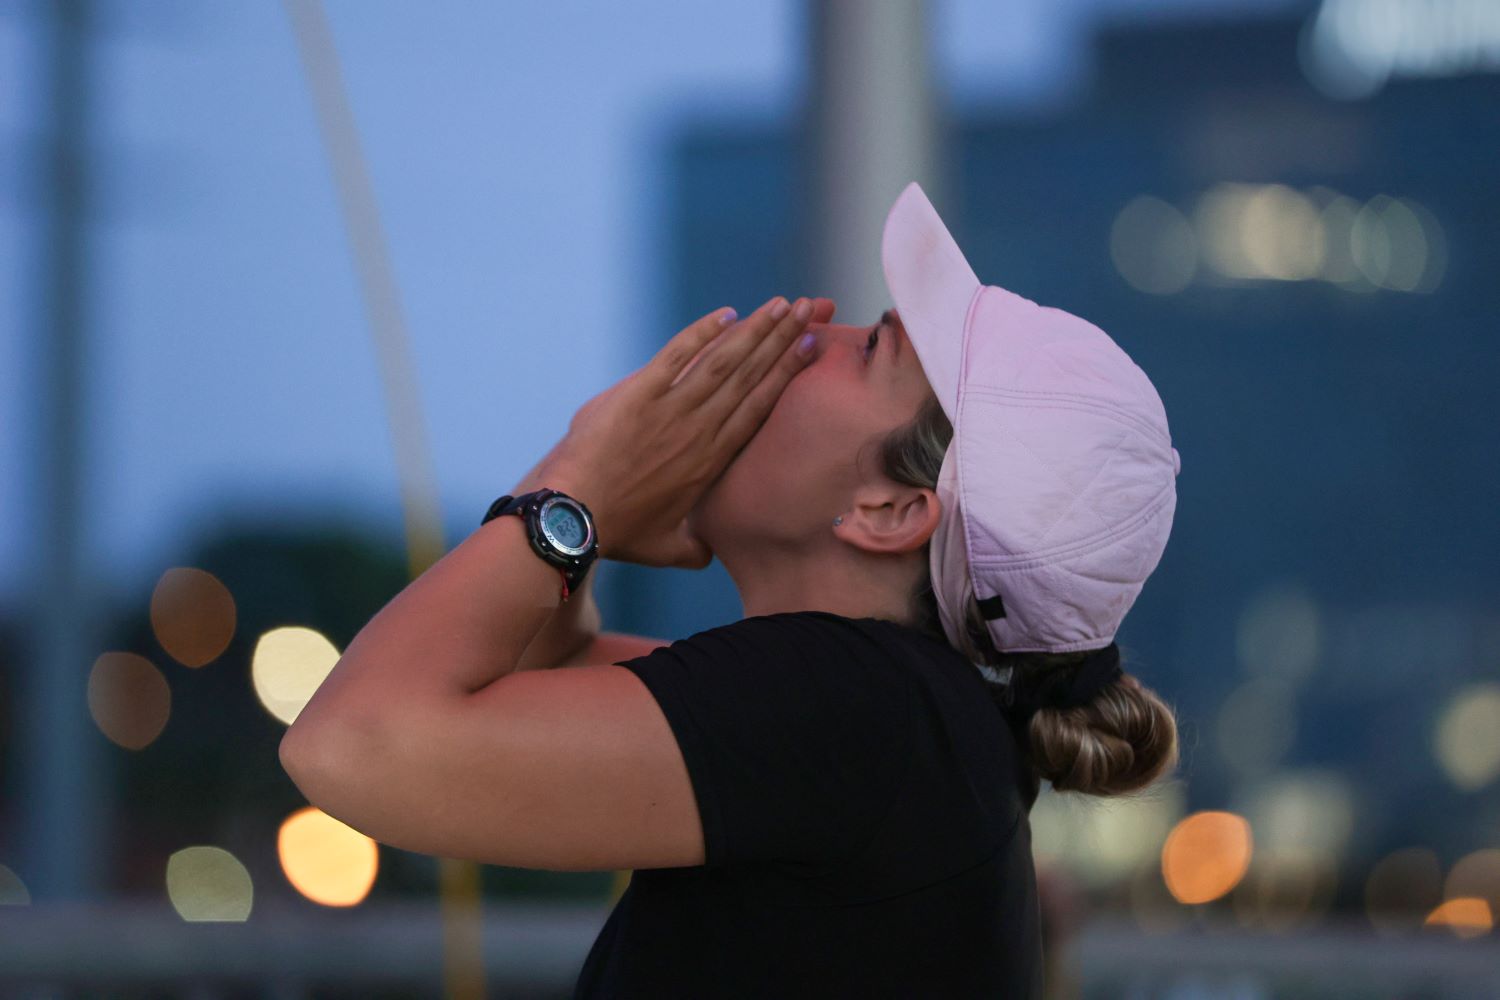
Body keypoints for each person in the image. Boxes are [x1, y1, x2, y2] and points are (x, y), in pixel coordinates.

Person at [279, 182, 1182, 999]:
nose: (803, 330)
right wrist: (594, 495)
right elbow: (523, 668)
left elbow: (349, 746)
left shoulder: (857, 707)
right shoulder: (900, 723)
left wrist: (584, 483)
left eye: (869, 348)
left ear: (890, 509)